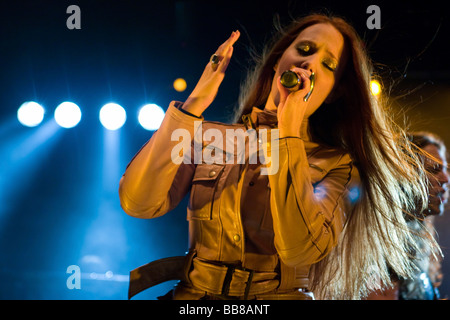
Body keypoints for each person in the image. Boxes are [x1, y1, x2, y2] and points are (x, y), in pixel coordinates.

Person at [119, 13, 437, 300]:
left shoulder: (337, 165)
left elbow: (299, 248)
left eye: (328, 65)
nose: (309, 64)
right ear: (277, 61)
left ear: (335, 92)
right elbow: (139, 202)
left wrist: (289, 130)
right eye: (305, 50)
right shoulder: (209, 138)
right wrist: (192, 107)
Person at [366, 131, 448, 300]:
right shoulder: (376, 246)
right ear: (404, 175)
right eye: (434, 169)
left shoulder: (420, 240)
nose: (446, 179)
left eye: (446, 170)